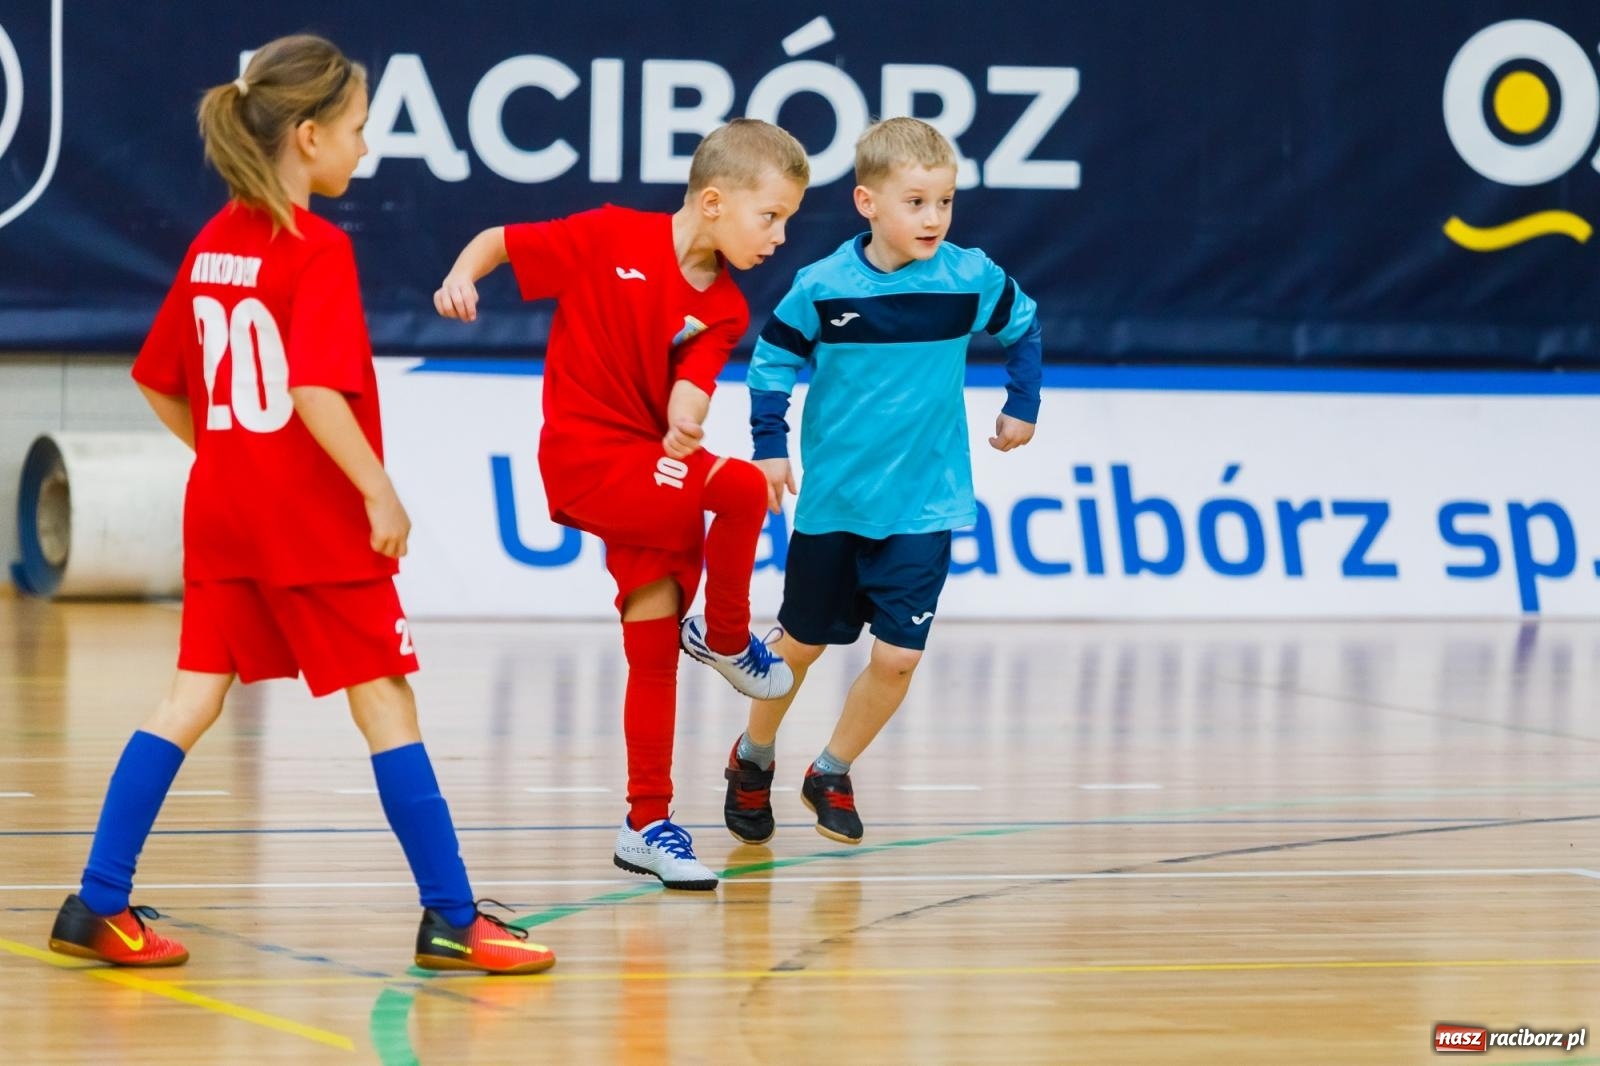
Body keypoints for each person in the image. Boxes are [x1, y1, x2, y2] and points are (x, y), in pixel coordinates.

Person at [46, 35, 554, 975]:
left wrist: (236, 457)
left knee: (189, 697)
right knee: (387, 703)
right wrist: (378, 487)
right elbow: (316, 393)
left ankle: (97, 902)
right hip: (311, 523)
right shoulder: (313, 249)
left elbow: (159, 381)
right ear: (309, 136)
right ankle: (451, 918)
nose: (368, 148)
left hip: (224, 511)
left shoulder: (213, 243)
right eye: (359, 129)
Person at [434, 119, 809, 890]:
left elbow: (693, 378)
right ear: (712, 202)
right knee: (739, 486)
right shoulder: (608, 236)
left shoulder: (729, 307)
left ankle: (646, 822)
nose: (779, 237)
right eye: (769, 217)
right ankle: (731, 638)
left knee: (652, 632)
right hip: (585, 457)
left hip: (651, 466)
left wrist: (685, 411)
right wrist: (462, 276)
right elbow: (500, 239)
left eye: (787, 222)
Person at [723, 117, 1043, 846]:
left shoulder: (969, 278)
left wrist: (1022, 402)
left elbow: (1022, 325)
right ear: (868, 203)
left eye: (945, 203)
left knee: (896, 659)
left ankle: (830, 770)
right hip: (834, 505)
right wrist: (769, 446)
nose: (933, 219)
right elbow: (771, 364)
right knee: (797, 649)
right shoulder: (823, 285)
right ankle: (753, 758)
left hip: (924, 507)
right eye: (916, 202)